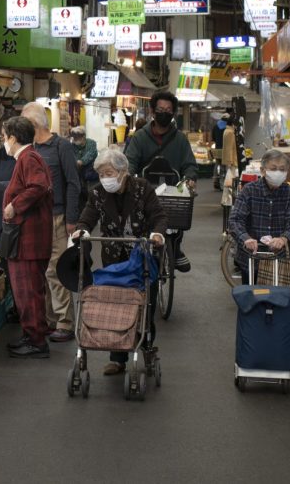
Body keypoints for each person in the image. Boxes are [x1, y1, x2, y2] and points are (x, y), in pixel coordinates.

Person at [72, 146, 166, 375]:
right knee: (114, 305)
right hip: (113, 258)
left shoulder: (142, 188)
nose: (105, 178)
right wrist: (81, 230)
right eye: (102, 174)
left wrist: (157, 233)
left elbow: (158, 215)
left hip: (142, 257)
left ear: (123, 171)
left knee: (145, 304)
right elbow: (87, 217)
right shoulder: (97, 194)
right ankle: (117, 358)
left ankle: (146, 347)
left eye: (109, 173)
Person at [20, 101, 82, 343]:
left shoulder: (61, 147)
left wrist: (71, 219)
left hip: (57, 216)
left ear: (34, 125)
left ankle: (65, 322)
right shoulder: (30, 148)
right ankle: (48, 320)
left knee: (55, 270)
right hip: (35, 218)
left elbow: (73, 183)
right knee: (41, 270)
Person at [125, 90, 198, 272]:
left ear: (173, 114)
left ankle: (175, 248)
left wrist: (189, 179)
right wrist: (127, 177)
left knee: (176, 220)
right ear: (152, 111)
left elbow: (190, 164)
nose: (164, 113)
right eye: (160, 109)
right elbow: (130, 162)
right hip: (144, 192)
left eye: (168, 110)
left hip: (172, 192)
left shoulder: (180, 139)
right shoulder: (140, 137)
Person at [0, 115, 54, 358]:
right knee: (26, 292)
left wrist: (14, 206)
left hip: (28, 240)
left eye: (4, 137)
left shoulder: (29, 157)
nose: (4, 142)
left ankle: (37, 341)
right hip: (26, 238)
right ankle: (32, 334)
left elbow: (38, 186)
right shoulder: (27, 158)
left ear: (13, 137)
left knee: (29, 291)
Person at [228, 148, 290, 275]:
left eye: (282, 169)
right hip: (251, 258)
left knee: (279, 294)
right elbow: (235, 219)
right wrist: (245, 238)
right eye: (273, 169)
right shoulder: (249, 190)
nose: (278, 172)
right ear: (263, 171)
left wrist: (283, 239)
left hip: (280, 258)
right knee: (252, 292)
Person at [69, 125, 99, 192]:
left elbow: (90, 155)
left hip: (90, 169)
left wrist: (81, 161)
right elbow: (71, 155)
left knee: (87, 175)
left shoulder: (91, 143)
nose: (75, 140)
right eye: (74, 138)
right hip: (78, 169)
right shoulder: (73, 144)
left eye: (77, 138)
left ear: (84, 136)